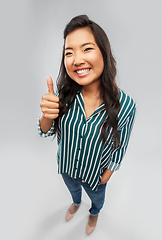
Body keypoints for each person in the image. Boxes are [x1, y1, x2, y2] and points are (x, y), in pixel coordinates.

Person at [38, 15, 136, 235]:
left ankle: (94, 213)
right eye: (69, 52)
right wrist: (46, 115)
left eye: (86, 49)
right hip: (68, 168)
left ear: (104, 53)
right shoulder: (63, 96)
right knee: (73, 191)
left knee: (97, 200)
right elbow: (46, 131)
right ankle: (75, 203)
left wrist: (107, 174)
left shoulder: (126, 105)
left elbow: (121, 145)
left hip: (96, 175)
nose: (76, 59)